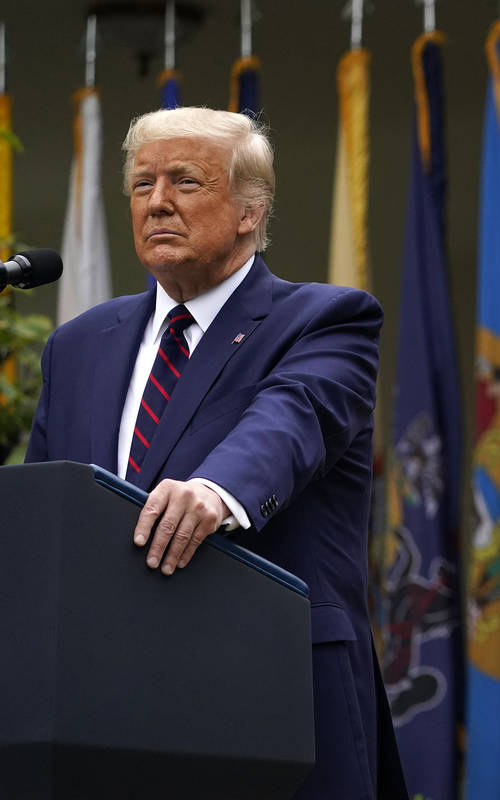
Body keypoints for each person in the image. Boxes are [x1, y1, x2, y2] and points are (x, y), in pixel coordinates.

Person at [26, 107, 408, 799]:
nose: (157, 202)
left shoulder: (326, 319)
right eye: (142, 184)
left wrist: (215, 490)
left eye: (186, 182)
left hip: (269, 705)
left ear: (249, 212)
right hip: (101, 716)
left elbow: (292, 418)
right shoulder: (78, 344)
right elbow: (42, 517)